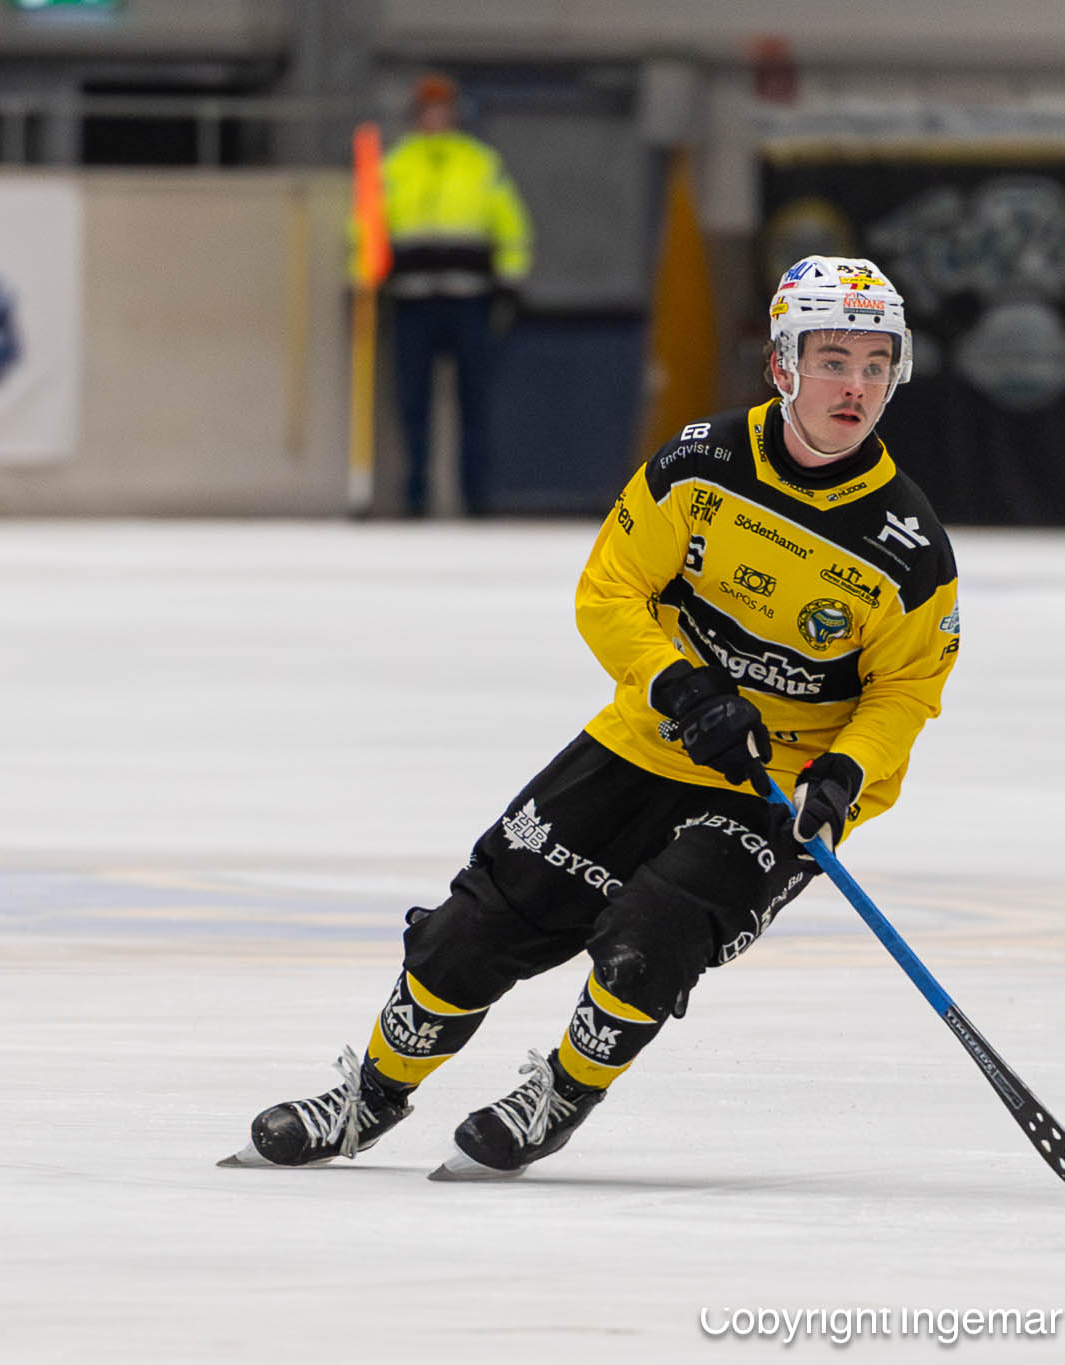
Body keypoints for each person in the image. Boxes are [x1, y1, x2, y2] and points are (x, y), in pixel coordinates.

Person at [223, 256, 962, 1177]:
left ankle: (563, 1094)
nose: (855, 386)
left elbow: (904, 690)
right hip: (650, 738)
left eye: (875, 365)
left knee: (653, 933)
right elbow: (610, 592)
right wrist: (682, 687)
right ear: (783, 364)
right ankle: (369, 1096)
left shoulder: (910, 545)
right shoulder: (699, 464)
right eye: (833, 361)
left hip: (771, 785)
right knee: (477, 924)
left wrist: (842, 777)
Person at [381, 73, 532, 517]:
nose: (435, 117)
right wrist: (364, 281)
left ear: (454, 113)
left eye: (442, 109)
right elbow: (367, 228)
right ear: (416, 115)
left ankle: (476, 498)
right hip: (411, 301)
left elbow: (512, 227)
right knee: (412, 405)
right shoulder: (395, 166)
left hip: (470, 301)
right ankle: (415, 497)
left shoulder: (480, 163)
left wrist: (510, 281)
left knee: (475, 403)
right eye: (428, 110)